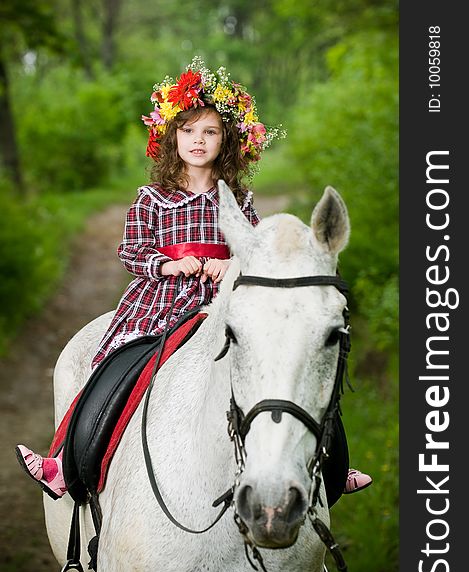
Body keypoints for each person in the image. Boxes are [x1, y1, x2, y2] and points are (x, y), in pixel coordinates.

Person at [16, 57, 371, 501]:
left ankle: (328, 468)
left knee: (289, 358)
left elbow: (258, 251)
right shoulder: (153, 198)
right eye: (188, 131)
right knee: (114, 368)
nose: (198, 141)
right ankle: (66, 461)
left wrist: (232, 265)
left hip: (220, 300)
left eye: (210, 132)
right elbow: (130, 251)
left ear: (227, 141)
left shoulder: (239, 198)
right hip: (162, 300)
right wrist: (167, 265)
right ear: (172, 137)